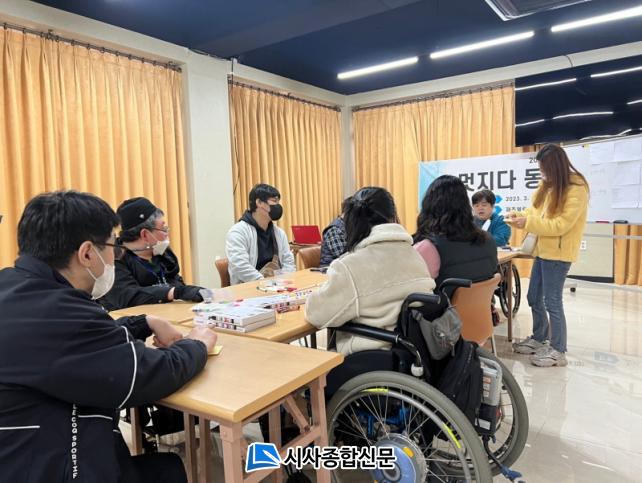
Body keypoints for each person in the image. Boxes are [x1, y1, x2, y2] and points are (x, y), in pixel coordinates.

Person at [0, 190, 218, 483]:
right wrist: (197, 344)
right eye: (112, 247)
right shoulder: (58, 312)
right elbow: (146, 374)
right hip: (46, 465)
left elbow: (84, 343)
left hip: (24, 449)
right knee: (171, 471)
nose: (115, 256)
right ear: (87, 253)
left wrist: (144, 322)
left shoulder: (18, 289)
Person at [306, 187, 435, 355]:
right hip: (413, 352)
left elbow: (317, 314)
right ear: (393, 217)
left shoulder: (350, 265)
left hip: (371, 356)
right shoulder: (414, 254)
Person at [508, 144, 589, 367]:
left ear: (556, 167)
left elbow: (561, 225)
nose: (542, 173)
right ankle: (539, 337)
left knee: (552, 301)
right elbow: (533, 211)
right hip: (542, 250)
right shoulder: (547, 185)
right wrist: (518, 216)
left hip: (559, 254)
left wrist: (528, 222)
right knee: (534, 296)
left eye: (545, 168)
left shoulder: (576, 188)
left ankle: (558, 350)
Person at [99, 197, 204, 311]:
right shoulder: (113, 258)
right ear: (145, 235)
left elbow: (177, 284)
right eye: (163, 229)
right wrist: (175, 292)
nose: (167, 234)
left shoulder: (161, 253)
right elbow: (128, 296)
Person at [414, 175, 498, 294]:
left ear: (430, 207)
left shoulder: (428, 247)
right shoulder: (488, 240)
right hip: (480, 305)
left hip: (443, 305)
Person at [226, 183, 296, 285]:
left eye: (278, 202)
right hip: (248, 287)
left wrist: (284, 281)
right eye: (274, 201)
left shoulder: (279, 233)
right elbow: (240, 266)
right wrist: (264, 283)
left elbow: (288, 261)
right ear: (259, 202)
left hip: (277, 286)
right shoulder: (238, 232)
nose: (278, 206)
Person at [319, 196, 351, 267]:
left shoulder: (349, 226)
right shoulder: (335, 229)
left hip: (343, 268)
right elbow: (344, 257)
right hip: (330, 269)